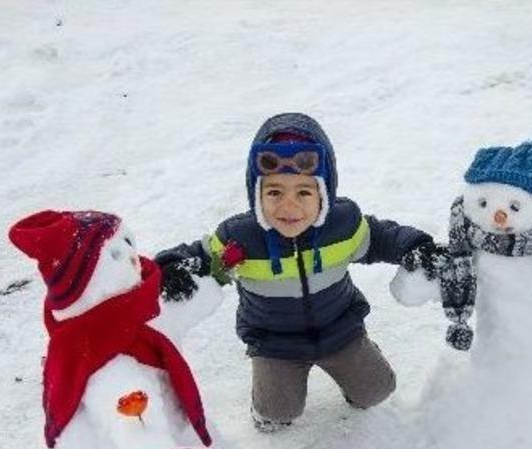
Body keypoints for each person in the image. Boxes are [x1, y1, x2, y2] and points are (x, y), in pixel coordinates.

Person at [156, 113, 438, 431]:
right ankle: (266, 407)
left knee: (377, 390)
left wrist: (416, 247)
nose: (289, 207)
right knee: (277, 411)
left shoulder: (342, 226)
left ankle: (360, 369)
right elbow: (195, 256)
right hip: (275, 344)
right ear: (256, 193)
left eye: (304, 192)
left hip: (341, 331)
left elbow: (383, 237)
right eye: (274, 192)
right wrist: (172, 269)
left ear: (324, 194)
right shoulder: (240, 238)